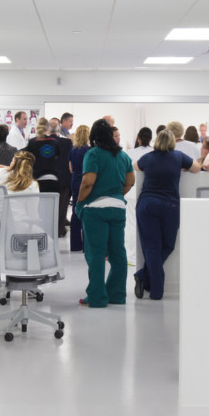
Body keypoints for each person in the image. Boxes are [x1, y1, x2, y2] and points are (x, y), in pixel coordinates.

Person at [132, 128, 203, 299]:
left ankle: (147, 281)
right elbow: (197, 168)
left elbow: (135, 166)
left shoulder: (148, 157)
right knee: (168, 245)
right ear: (172, 142)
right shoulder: (178, 157)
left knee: (151, 247)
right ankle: (151, 285)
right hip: (170, 206)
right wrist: (181, 169)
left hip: (147, 204)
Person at [75, 119, 134, 307]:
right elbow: (130, 181)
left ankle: (97, 297)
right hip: (118, 209)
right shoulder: (123, 156)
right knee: (118, 253)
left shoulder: (93, 154)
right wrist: (116, 195)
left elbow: (88, 182)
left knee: (96, 254)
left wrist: (80, 203)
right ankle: (116, 295)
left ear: (93, 137)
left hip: (95, 210)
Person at [25, 119, 74, 237]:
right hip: (56, 180)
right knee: (57, 211)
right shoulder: (60, 142)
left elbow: (28, 157)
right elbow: (59, 158)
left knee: (40, 210)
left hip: (39, 180)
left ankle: (42, 234)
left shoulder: (33, 142)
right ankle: (55, 234)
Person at [67, 124, 90, 253]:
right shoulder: (89, 150)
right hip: (86, 181)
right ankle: (87, 245)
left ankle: (75, 245)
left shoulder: (72, 150)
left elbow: (71, 169)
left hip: (75, 181)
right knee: (86, 212)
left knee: (75, 211)